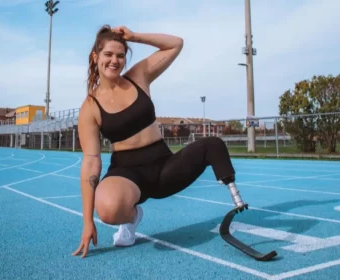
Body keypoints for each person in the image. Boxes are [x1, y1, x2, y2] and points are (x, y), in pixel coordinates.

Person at [72, 25, 244, 258]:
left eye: (120, 55)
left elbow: (176, 43)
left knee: (213, 144)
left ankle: (236, 198)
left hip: (163, 165)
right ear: (96, 57)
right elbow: (91, 162)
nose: (115, 61)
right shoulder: (90, 107)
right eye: (108, 54)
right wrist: (87, 223)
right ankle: (132, 218)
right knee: (107, 210)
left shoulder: (138, 76)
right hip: (126, 173)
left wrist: (135, 37)